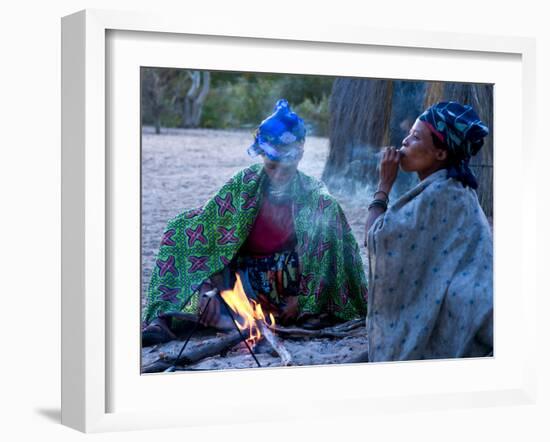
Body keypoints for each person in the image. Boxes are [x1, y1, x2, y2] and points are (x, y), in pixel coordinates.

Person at [142, 99, 368, 345]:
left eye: (286, 167)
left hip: (292, 289)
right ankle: (162, 320)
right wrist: (210, 282)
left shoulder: (316, 197)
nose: (279, 174)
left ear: (300, 157)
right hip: (245, 283)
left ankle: (307, 313)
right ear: (261, 157)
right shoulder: (244, 184)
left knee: (328, 217)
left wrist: (300, 298)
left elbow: (327, 255)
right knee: (178, 229)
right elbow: (210, 233)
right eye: (272, 166)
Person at [364, 101, 493, 362]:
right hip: (475, 306)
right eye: (409, 134)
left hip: (466, 316)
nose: (405, 141)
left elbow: (375, 237)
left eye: (416, 137)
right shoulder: (454, 188)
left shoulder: (437, 195)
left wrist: (384, 184)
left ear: (441, 154)